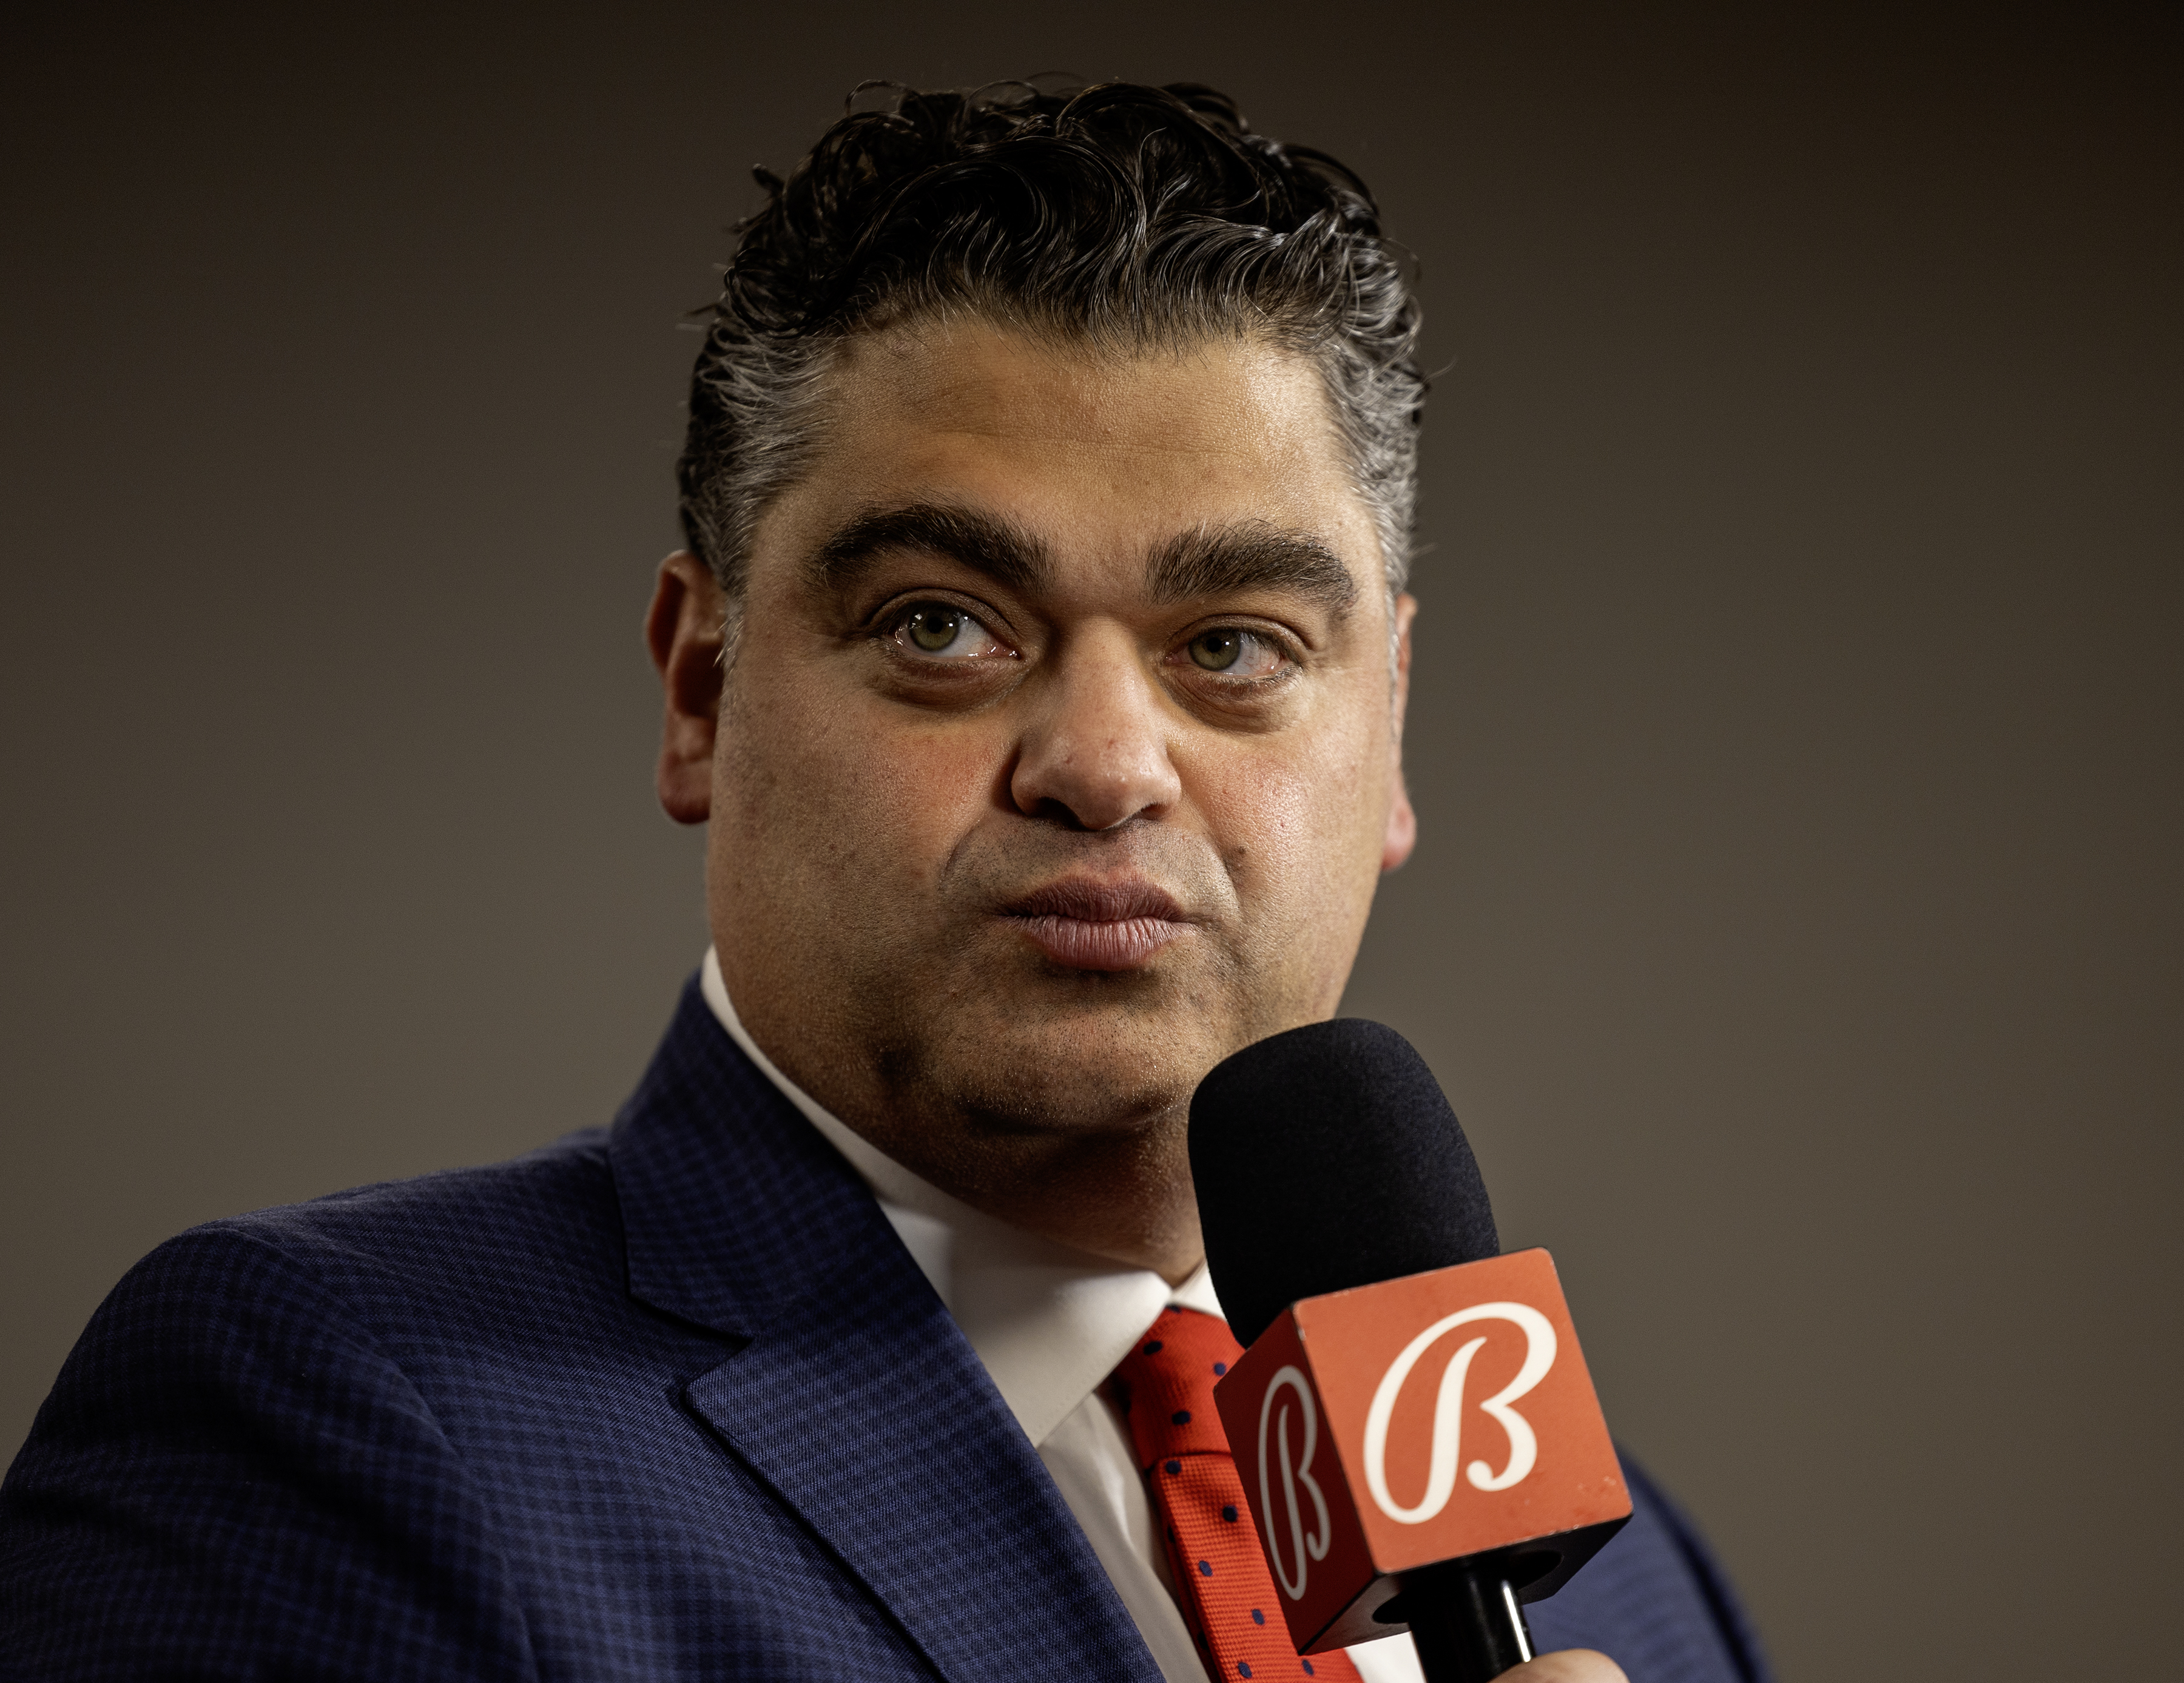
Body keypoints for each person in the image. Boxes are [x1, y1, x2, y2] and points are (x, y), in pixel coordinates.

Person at [0, 82, 1769, 1683]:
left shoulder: (1630, 1596)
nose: (1105, 761)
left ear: (1387, 733)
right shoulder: (328, 1418)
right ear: (702, 690)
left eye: (1232, 643)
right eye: (942, 625)